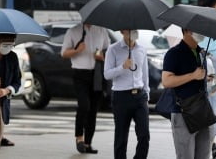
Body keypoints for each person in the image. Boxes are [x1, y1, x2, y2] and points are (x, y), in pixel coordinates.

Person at [61, 23, 110, 154]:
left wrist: (101, 56)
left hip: (97, 73)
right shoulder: (73, 31)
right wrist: (77, 51)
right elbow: (64, 53)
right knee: (84, 105)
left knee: (93, 109)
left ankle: (88, 143)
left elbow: (107, 49)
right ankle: (79, 138)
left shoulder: (101, 30)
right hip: (80, 73)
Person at [162, 29, 211, 159]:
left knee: (204, 155)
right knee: (185, 155)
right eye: (198, 29)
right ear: (187, 31)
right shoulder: (174, 53)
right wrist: (193, 76)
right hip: (183, 111)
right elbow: (166, 81)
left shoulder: (201, 53)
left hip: (202, 110)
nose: (202, 32)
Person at [104, 29, 150, 159]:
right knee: (121, 137)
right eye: (130, 30)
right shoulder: (113, 49)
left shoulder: (141, 49)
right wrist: (122, 67)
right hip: (121, 96)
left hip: (140, 96)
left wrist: (147, 95)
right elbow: (107, 74)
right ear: (122, 31)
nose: (134, 32)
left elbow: (144, 75)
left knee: (144, 135)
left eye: (135, 29)